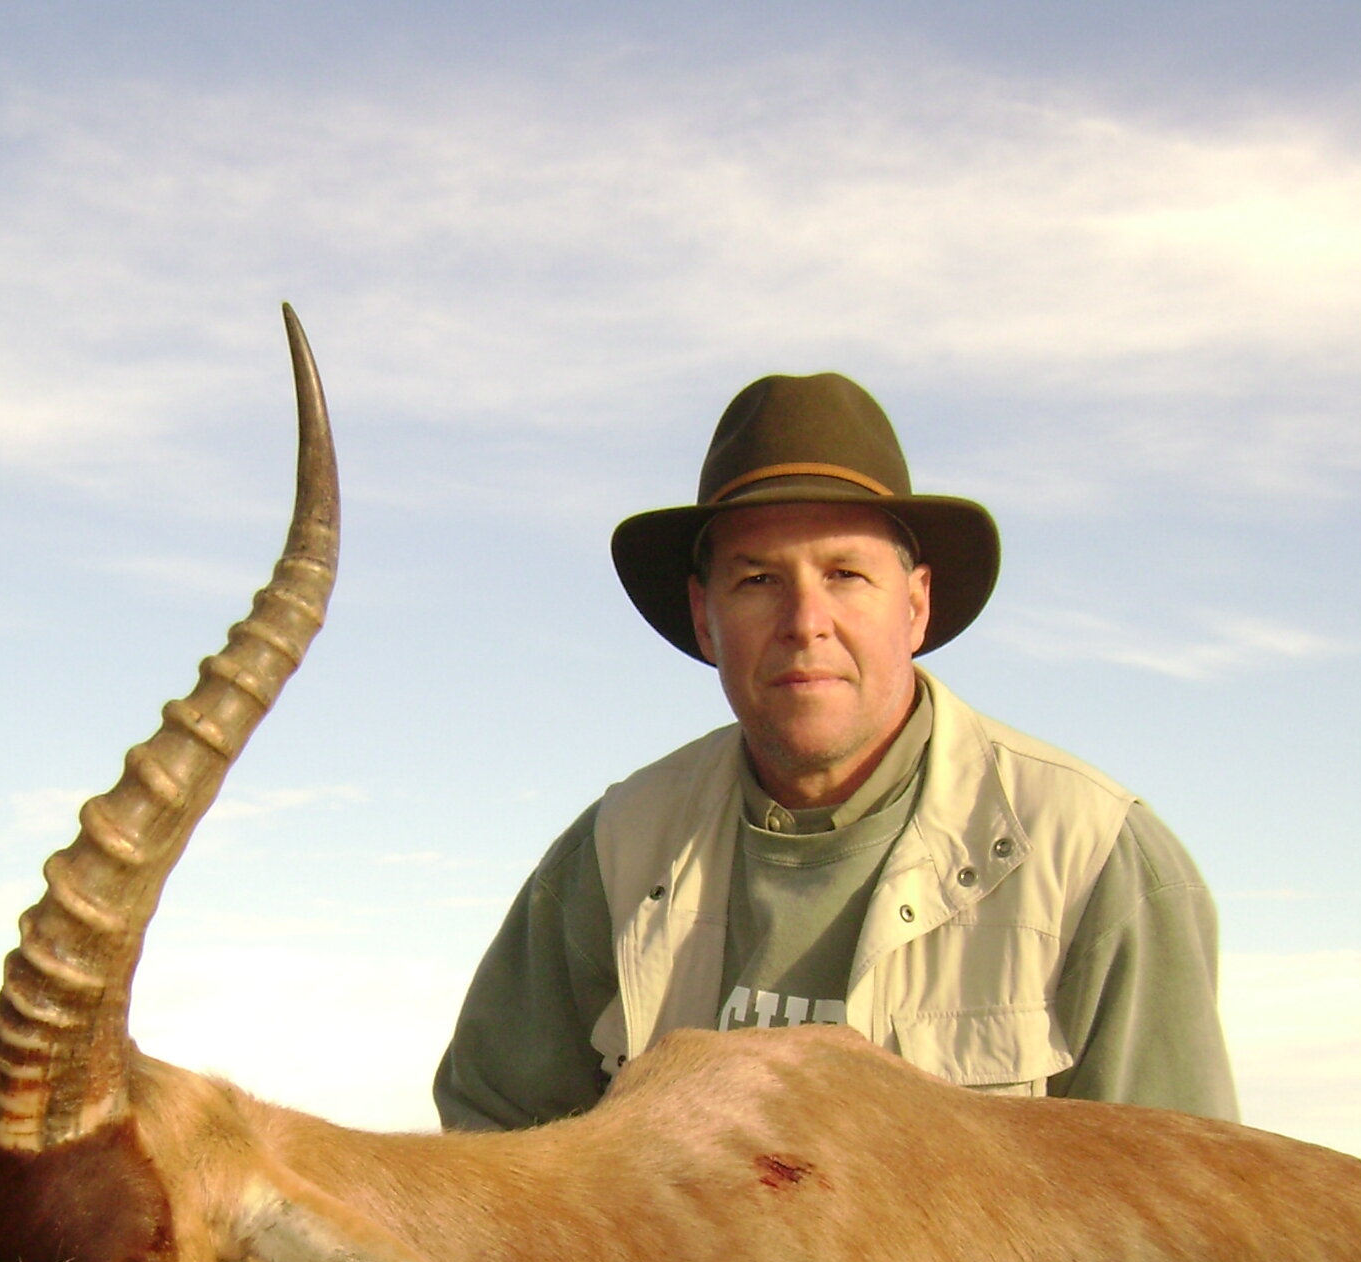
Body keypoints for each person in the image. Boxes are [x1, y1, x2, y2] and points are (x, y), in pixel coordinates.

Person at [434, 372, 1235, 1129]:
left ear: (916, 605)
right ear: (705, 618)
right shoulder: (613, 856)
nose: (805, 621)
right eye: (757, 581)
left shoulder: (1096, 863)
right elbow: (493, 1146)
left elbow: (1185, 1219)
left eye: (846, 574)